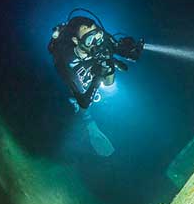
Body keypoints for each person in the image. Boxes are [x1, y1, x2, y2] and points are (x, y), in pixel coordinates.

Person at [48, 11, 143, 155]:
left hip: (95, 69)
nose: (97, 41)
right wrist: (98, 76)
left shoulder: (101, 38)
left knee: (109, 69)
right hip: (76, 84)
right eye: (89, 39)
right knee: (76, 104)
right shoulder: (65, 60)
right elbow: (84, 102)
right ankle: (88, 124)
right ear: (76, 41)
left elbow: (129, 55)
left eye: (98, 35)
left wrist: (132, 48)